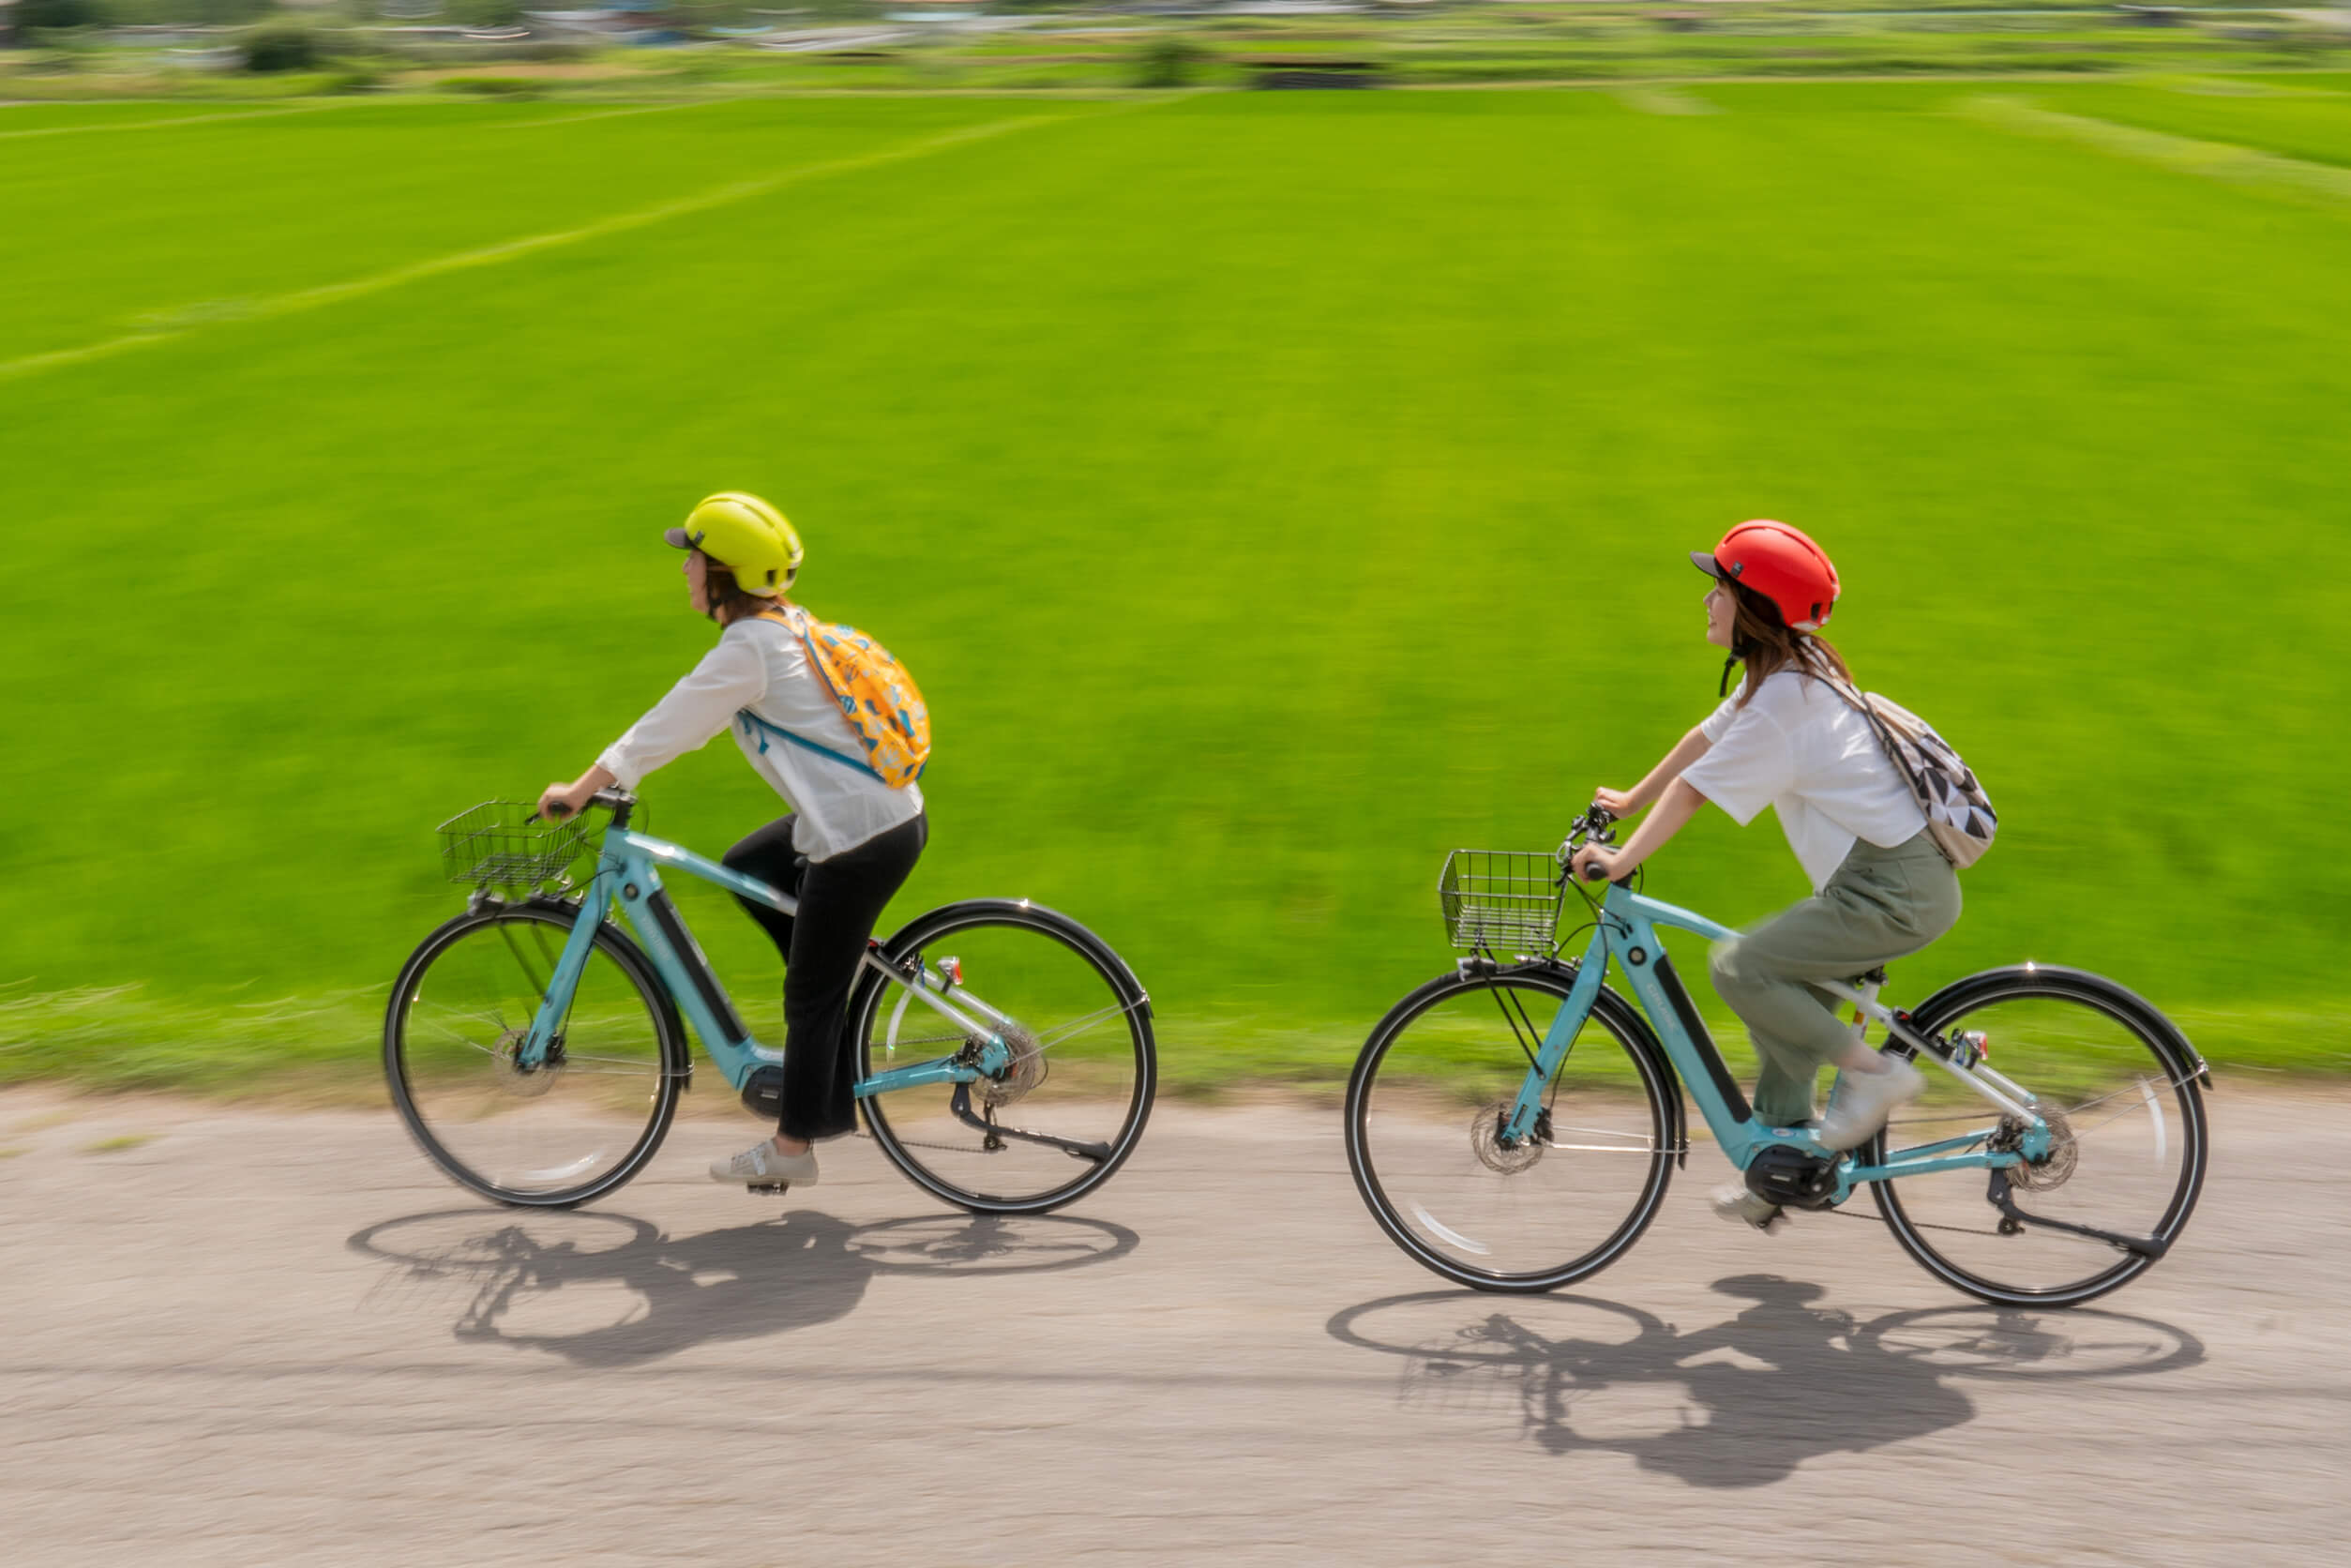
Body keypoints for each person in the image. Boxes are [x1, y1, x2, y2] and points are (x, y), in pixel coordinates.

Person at [1568, 520, 1961, 1230]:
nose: (1707, 601)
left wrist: (1621, 861)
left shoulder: (1785, 702)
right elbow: (1704, 740)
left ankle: (1876, 1078)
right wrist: (1629, 798)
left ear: (1755, 610)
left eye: (1717, 588)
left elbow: (1695, 791)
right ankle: (1780, 1168)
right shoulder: (1787, 675)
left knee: (1741, 969)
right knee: (1783, 1017)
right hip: (1881, 885)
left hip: (1891, 892)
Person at [537, 492, 927, 1191]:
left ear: (724, 573)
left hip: (859, 839)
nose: (684, 568)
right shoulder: (780, 629)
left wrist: (585, 785)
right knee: (750, 864)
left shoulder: (749, 648)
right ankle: (831, 1006)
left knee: (808, 998)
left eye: (694, 556)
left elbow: (669, 722)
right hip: (875, 820)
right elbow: (698, 719)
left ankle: (792, 1149)